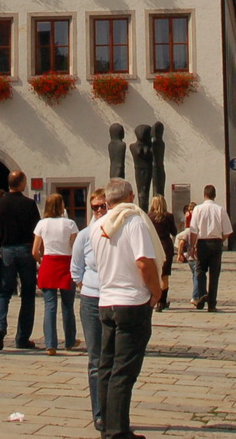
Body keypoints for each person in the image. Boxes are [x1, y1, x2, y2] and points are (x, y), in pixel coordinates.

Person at [93, 178, 162, 439]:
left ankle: (107, 425)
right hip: (132, 301)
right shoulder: (134, 222)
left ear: (107, 200)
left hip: (106, 300)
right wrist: (156, 291)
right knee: (123, 371)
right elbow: (144, 262)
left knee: (107, 367)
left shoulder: (98, 225)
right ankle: (117, 431)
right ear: (131, 196)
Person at [0, 169, 41, 348]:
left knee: (4, 292)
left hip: (7, 251)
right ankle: (22, 338)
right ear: (22, 183)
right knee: (28, 293)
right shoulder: (29, 204)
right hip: (26, 250)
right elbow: (37, 231)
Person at [72, 189, 108, 431]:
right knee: (96, 359)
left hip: (114, 299)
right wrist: (85, 286)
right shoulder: (84, 235)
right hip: (91, 300)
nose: (99, 210)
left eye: (103, 206)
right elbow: (76, 268)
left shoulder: (115, 232)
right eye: (95, 207)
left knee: (112, 359)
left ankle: (114, 411)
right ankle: (99, 413)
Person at [33, 192, 79, 354]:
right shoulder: (70, 224)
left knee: (50, 306)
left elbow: (35, 251)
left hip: (48, 263)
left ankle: (50, 344)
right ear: (61, 206)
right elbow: (74, 246)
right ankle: (70, 341)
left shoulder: (41, 224)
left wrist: (41, 261)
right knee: (68, 305)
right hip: (65, 263)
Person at [188, 184, 233, 311]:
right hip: (216, 243)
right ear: (215, 195)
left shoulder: (198, 209)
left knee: (200, 270)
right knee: (214, 273)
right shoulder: (220, 209)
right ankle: (212, 304)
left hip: (202, 243)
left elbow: (193, 230)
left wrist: (192, 246)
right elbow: (228, 231)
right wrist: (220, 240)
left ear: (204, 195)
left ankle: (202, 295)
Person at [146, 194, 177, 307]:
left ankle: (153, 298)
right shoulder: (168, 216)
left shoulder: (149, 217)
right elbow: (174, 232)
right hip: (166, 246)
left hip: (153, 246)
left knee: (154, 273)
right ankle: (162, 302)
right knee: (165, 275)